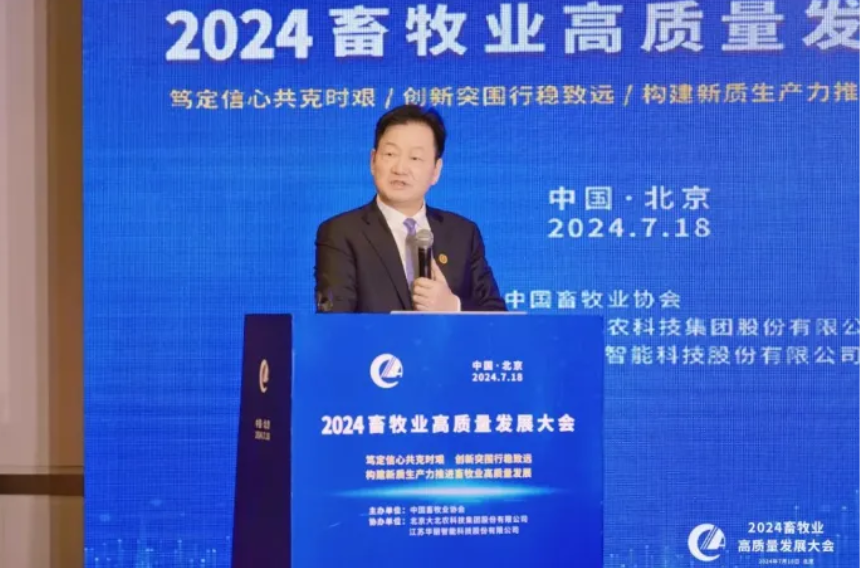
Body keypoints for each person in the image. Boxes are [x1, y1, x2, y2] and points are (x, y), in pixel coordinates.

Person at [314, 104, 507, 313]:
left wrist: (453, 306)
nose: (400, 168)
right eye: (390, 154)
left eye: (415, 158)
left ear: (436, 170)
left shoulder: (462, 233)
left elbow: (497, 316)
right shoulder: (341, 232)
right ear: (373, 161)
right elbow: (334, 321)